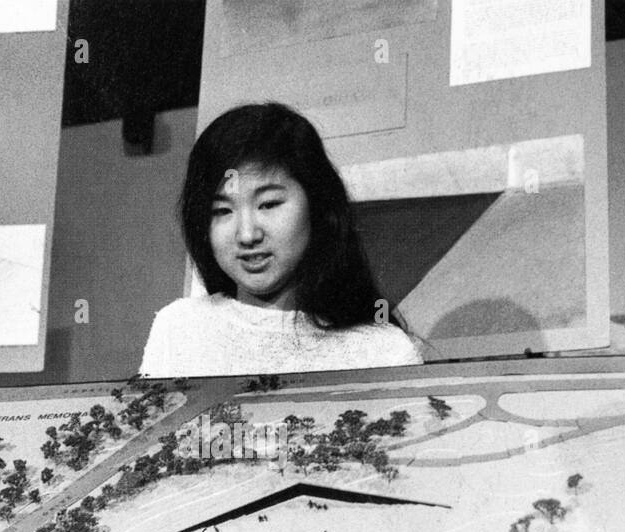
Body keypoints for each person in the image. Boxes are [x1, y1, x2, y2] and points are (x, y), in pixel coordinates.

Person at [139, 102, 425, 378]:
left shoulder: (384, 352)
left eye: (269, 204)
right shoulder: (177, 330)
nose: (248, 234)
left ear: (317, 204)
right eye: (223, 211)